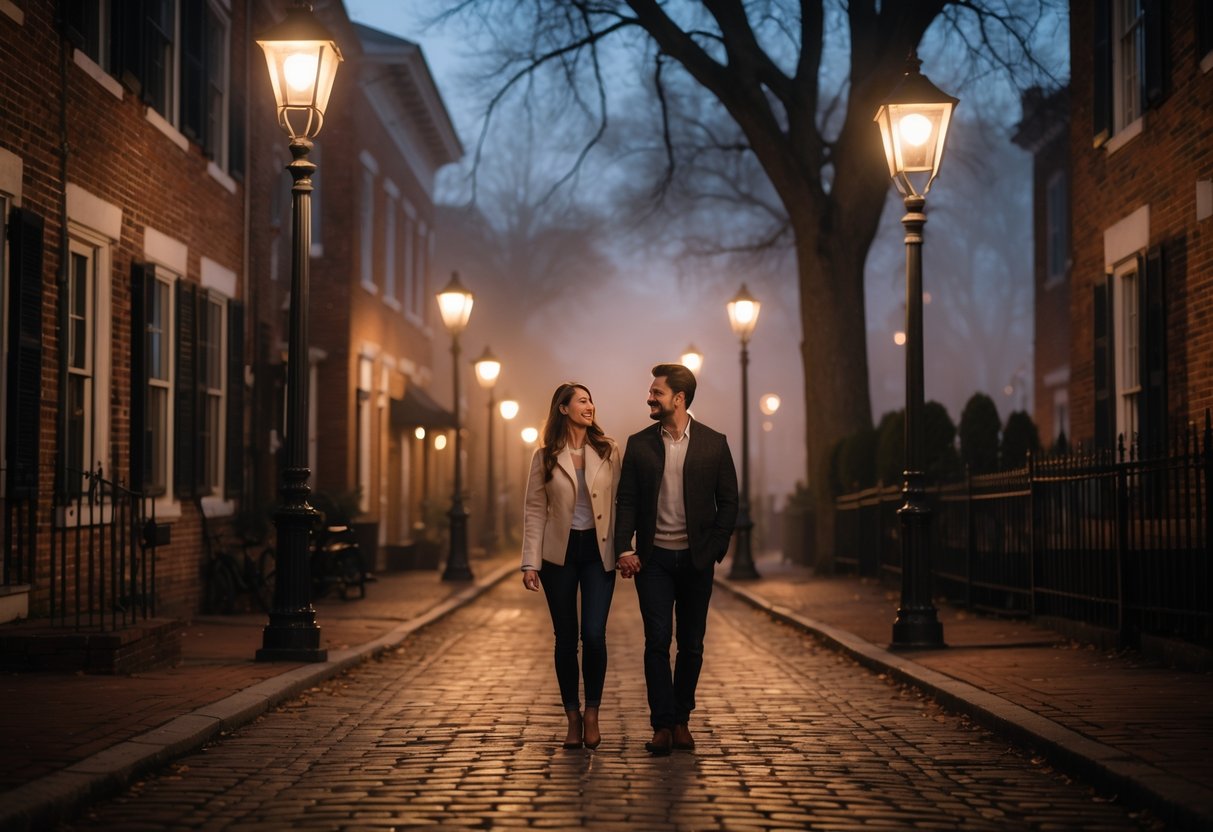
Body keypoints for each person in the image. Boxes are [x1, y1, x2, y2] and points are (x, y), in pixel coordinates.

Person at [615, 363, 738, 755]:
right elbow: (627, 501)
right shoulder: (639, 444)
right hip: (654, 562)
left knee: (692, 645)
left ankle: (682, 719)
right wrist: (625, 548)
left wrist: (715, 547)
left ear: (679, 398)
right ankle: (662, 725)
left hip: (696, 561)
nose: (650, 398)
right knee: (656, 641)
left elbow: (730, 501)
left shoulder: (714, 443)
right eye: (651, 392)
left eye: (657, 392)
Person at [521, 382, 622, 750]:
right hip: (558, 556)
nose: (590, 405)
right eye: (582, 400)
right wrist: (530, 562)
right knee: (566, 639)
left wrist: (626, 548)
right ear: (563, 408)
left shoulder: (609, 450)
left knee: (594, 634)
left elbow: (619, 504)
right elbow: (534, 510)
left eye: (591, 399)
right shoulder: (545, 456)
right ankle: (573, 717)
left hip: (598, 552)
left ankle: (593, 711)